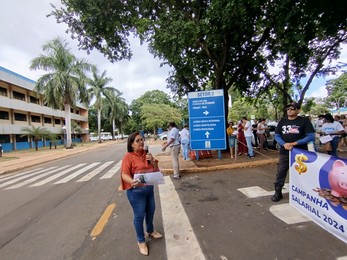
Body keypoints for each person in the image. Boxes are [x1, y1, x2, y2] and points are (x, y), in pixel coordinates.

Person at [121, 132, 163, 256]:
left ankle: (150, 230)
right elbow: (124, 174)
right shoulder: (128, 157)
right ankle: (141, 240)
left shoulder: (147, 154)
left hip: (149, 190)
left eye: (142, 140)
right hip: (136, 193)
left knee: (151, 211)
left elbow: (155, 170)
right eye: (138, 141)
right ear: (132, 145)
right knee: (139, 216)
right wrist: (131, 181)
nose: (141, 142)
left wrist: (153, 161)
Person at [272, 102, 315, 202]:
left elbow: (310, 136)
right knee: (281, 172)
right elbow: (277, 135)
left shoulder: (304, 121)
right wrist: (284, 144)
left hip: (300, 152)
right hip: (285, 152)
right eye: (288, 109)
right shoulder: (282, 121)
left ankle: (303, 193)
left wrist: (294, 143)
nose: (289, 110)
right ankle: (278, 192)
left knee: (301, 172)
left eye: (292, 109)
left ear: (298, 110)